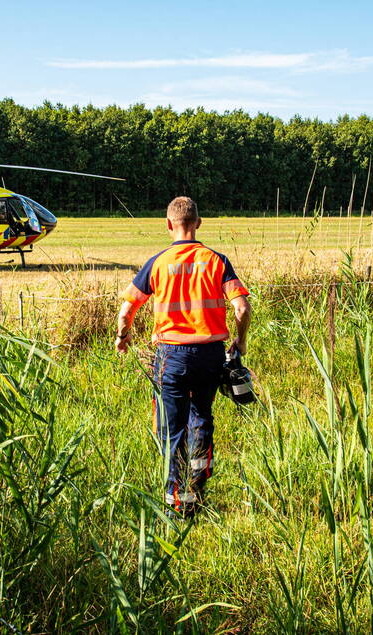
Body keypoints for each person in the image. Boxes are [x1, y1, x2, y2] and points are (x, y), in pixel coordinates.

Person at [115, 196, 251, 518]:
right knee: (201, 414)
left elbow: (126, 312)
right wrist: (240, 342)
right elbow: (242, 307)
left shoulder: (157, 262)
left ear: (168, 224)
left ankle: (177, 502)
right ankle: (199, 483)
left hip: (171, 355)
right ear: (198, 223)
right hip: (210, 354)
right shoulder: (216, 260)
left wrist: (123, 337)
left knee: (171, 427)